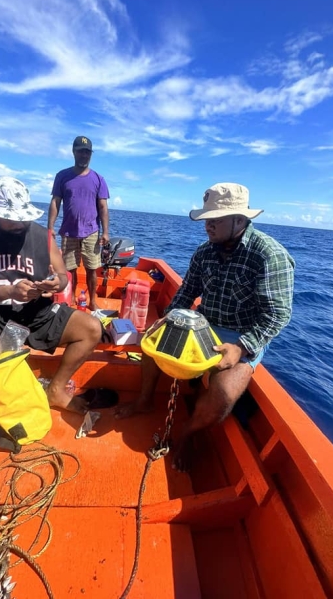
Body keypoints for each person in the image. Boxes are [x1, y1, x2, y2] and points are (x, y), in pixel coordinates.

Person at [115, 183, 295, 471]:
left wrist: (242, 348)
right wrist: (167, 318)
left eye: (215, 220)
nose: (207, 226)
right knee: (150, 345)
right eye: (206, 219)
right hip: (203, 325)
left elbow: (278, 314)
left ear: (239, 219)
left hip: (242, 335)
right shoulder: (204, 252)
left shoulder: (269, 255)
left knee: (224, 392)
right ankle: (145, 400)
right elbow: (188, 292)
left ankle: (189, 434)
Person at [0, 176, 103, 456]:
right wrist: (6, 290)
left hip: (38, 312)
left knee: (91, 328)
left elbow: (62, 276)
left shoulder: (41, 234)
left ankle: (55, 390)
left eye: (21, 217)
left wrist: (57, 283)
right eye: (10, 219)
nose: (19, 224)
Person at [48, 136, 110, 311]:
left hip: (91, 231)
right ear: (73, 152)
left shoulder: (99, 179)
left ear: (90, 155)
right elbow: (55, 202)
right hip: (68, 232)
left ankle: (92, 301)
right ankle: (72, 298)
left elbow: (103, 206)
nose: (84, 155)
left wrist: (105, 232)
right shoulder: (62, 176)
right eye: (81, 151)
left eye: (87, 152)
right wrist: (50, 227)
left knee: (92, 269)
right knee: (70, 269)